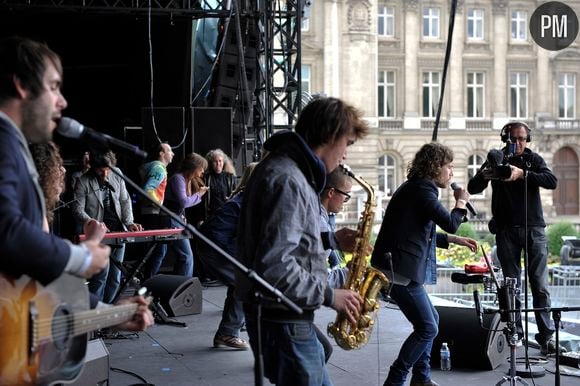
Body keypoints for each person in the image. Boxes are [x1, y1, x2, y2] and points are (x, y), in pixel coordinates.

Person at [0, 36, 151, 331]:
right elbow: (6, 230)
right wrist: (81, 257)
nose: (63, 102)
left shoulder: (14, 146)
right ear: (22, 86)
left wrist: (109, 314)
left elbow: (39, 274)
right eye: (54, 87)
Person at [236, 97, 366, 385]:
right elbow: (274, 267)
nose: (344, 155)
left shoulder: (285, 171)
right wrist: (331, 295)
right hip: (283, 321)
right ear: (331, 136)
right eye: (346, 144)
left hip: (284, 319)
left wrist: (329, 240)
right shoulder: (289, 180)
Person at [371, 142, 478, 386]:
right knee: (428, 328)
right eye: (448, 166)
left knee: (432, 322)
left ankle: (421, 377)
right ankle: (396, 379)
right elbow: (450, 221)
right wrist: (460, 202)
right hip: (398, 272)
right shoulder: (422, 191)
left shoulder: (416, 189)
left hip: (399, 267)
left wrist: (454, 239)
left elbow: (417, 233)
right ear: (434, 167)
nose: (451, 172)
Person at [467, 121, 562, 356]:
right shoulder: (496, 158)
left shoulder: (533, 159)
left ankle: (546, 338)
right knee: (511, 286)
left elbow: (552, 181)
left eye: (522, 139)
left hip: (534, 229)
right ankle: (513, 332)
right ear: (505, 138)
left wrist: (523, 174)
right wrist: (485, 174)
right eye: (513, 139)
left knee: (540, 285)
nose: (518, 143)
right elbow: (473, 186)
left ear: (527, 139)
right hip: (506, 231)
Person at [197, 162, 258, 350]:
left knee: (241, 284)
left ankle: (231, 329)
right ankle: (229, 332)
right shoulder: (250, 199)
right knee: (246, 283)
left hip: (212, 245)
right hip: (215, 247)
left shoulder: (245, 196)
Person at [72, 150, 143, 304]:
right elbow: (77, 209)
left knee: (116, 276)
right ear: (93, 167)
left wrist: (129, 222)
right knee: (100, 276)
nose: (105, 174)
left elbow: (125, 200)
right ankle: (94, 314)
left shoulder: (117, 173)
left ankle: (108, 312)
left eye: (107, 170)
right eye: (100, 170)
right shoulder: (83, 181)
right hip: (98, 234)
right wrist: (93, 223)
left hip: (118, 230)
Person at [151, 153, 208, 277]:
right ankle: (183, 287)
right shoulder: (178, 179)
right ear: (194, 167)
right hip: (170, 219)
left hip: (173, 219)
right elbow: (184, 202)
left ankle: (149, 282)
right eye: (201, 167)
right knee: (186, 256)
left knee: (160, 254)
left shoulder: (185, 180)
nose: (203, 171)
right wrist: (199, 195)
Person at [204, 148, 236, 218]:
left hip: (227, 213)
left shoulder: (230, 177)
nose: (218, 164)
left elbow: (235, 195)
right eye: (215, 161)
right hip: (211, 215)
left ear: (223, 162)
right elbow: (202, 199)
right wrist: (201, 218)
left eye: (220, 161)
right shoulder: (206, 177)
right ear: (211, 163)